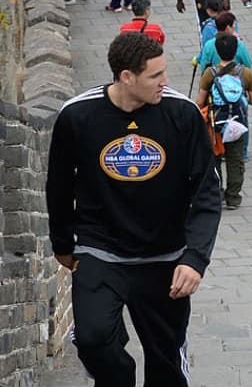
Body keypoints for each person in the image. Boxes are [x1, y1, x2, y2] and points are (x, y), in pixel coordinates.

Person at [46, 32, 222, 386]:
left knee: (165, 360)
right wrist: (63, 243)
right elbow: (59, 185)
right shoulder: (77, 116)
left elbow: (207, 193)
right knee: (94, 339)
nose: (166, 82)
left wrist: (195, 259)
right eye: (155, 75)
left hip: (165, 258)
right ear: (127, 77)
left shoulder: (182, 114)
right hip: (100, 251)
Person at [196, 33, 252, 210]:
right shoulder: (245, 73)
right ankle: (233, 197)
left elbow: (199, 101)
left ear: (217, 50)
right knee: (235, 159)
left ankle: (217, 193)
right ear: (236, 50)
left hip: (216, 123)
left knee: (215, 158)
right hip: (238, 124)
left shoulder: (210, 73)